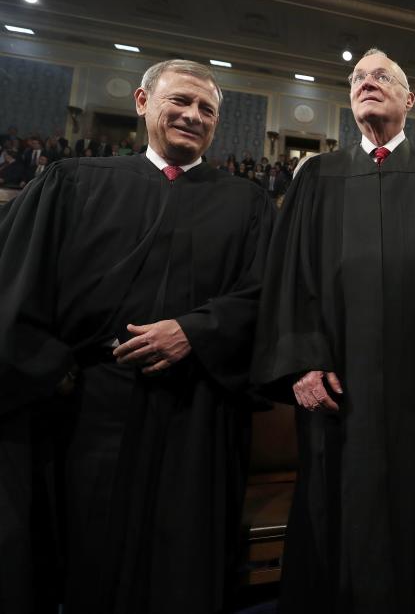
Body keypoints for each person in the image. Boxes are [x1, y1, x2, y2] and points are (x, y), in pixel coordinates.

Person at [0, 59, 275, 614]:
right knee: (88, 556)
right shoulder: (74, 181)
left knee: (184, 562)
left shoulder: (246, 204)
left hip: (198, 408)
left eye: (207, 110)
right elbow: (17, 283)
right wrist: (58, 369)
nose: (192, 116)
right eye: (180, 101)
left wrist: (196, 331)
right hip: (92, 410)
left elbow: (266, 295)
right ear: (143, 101)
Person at [251, 48, 415, 614]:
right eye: (357, 77)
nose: (366, 82)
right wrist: (303, 360)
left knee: (413, 503)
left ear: (410, 100)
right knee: (334, 503)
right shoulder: (318, 176)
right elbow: (292, 274)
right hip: (337, 383)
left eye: (382, 76)